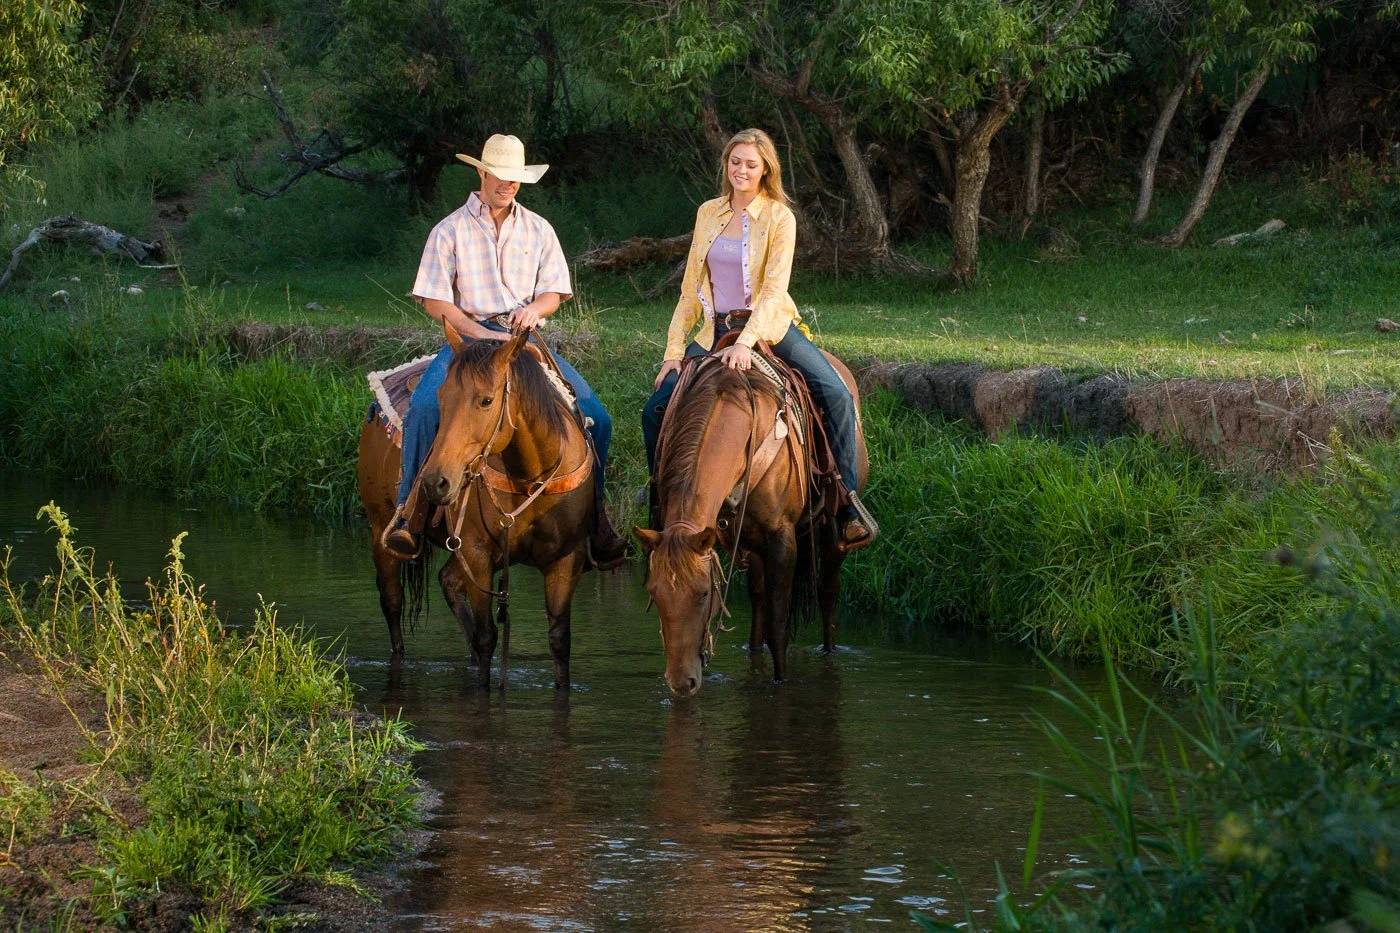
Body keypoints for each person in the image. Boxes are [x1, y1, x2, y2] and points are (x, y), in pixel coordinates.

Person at [383, 133, 628, 568]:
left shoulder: (538, 228)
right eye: (500, 176)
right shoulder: (449, 230)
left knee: (597, 416)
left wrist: (535, 309)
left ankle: (596, 517)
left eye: (516, 179)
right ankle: (410, 513)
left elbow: (554, 291)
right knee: (423, 408)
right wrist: (476, 331)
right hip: (468, 342)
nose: (509, 185)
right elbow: (435, 301)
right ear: (481, 172)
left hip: (523, 340)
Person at [641, 128, 874, 551]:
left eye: (750, 163)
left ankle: (846, 505)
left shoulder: (780, 218)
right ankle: (661, 499)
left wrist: (746, 342)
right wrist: (673, 353)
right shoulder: (708, 213)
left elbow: (772, 290)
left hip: (769, 327)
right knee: (655, 408)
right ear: (726, 164)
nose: (741, 170)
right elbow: (691, 287)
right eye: (735, 161)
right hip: (714, 330)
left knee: (837, 394)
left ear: (766, 168)